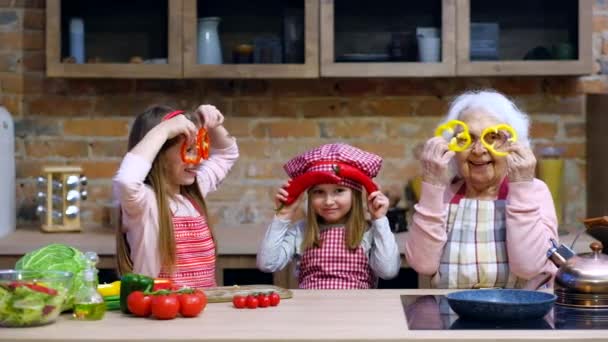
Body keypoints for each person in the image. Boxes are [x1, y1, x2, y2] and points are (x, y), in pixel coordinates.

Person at [405, 90, 558, 289]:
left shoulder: (534, 191)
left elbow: (528, 267)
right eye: (466, 138)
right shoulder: (443, 195)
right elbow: (422, 265)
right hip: (452, 315)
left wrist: (521, 185)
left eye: (492, 137)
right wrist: (432, 184)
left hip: (520, 316)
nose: (478, 150)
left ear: (513, 144)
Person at [113, 104, 238, 288]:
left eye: (199, 150)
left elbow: (227, 154)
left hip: (201, 310)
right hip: (157, 310)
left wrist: (213, 124)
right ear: (158, 155)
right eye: (188, 150)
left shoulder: (194, 192)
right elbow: (126, 181)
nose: (199, 160)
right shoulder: (144, 202)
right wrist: (163, 130)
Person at [257, 143, 401, 289]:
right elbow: (267, 264)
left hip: (357, 310)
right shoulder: (301, 231)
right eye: (319, 192)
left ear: (355, 195)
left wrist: (379, 220)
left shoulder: (369, 232)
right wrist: (283, 215)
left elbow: (388, 271)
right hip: (310, 310)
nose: (328, 201)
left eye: (339, 191)